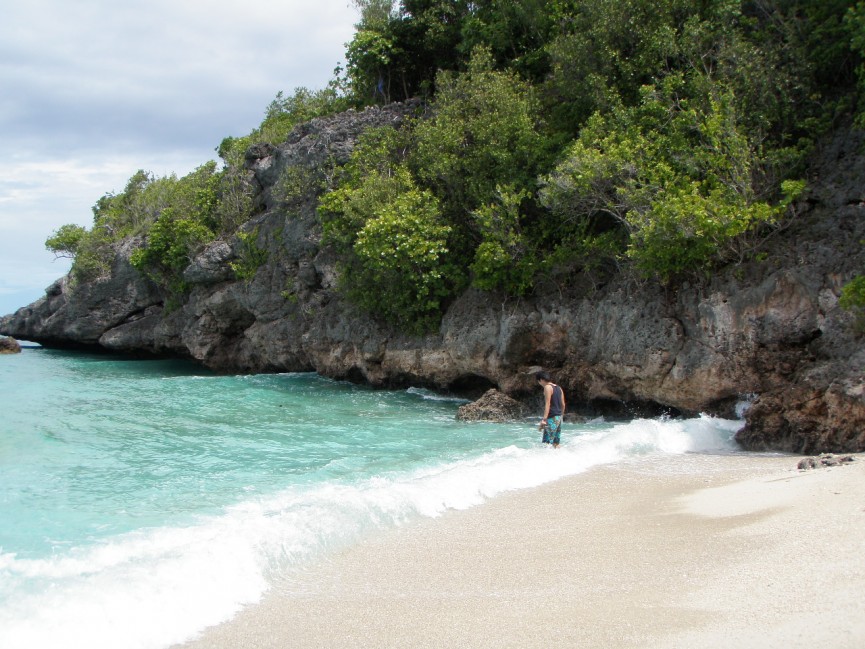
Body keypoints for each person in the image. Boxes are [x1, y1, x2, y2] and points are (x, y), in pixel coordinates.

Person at [535, 371, 566, 448]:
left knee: (547, 443)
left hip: (551, 417)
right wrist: (561, 416)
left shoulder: (547, 387)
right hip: (558, 417)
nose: (540, 384)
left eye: (539, 381)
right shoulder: (559, 388)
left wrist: (544, 419)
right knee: (556, 443)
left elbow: (548, 404)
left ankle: (547, 459)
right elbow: (563, 404)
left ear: (541, 380)